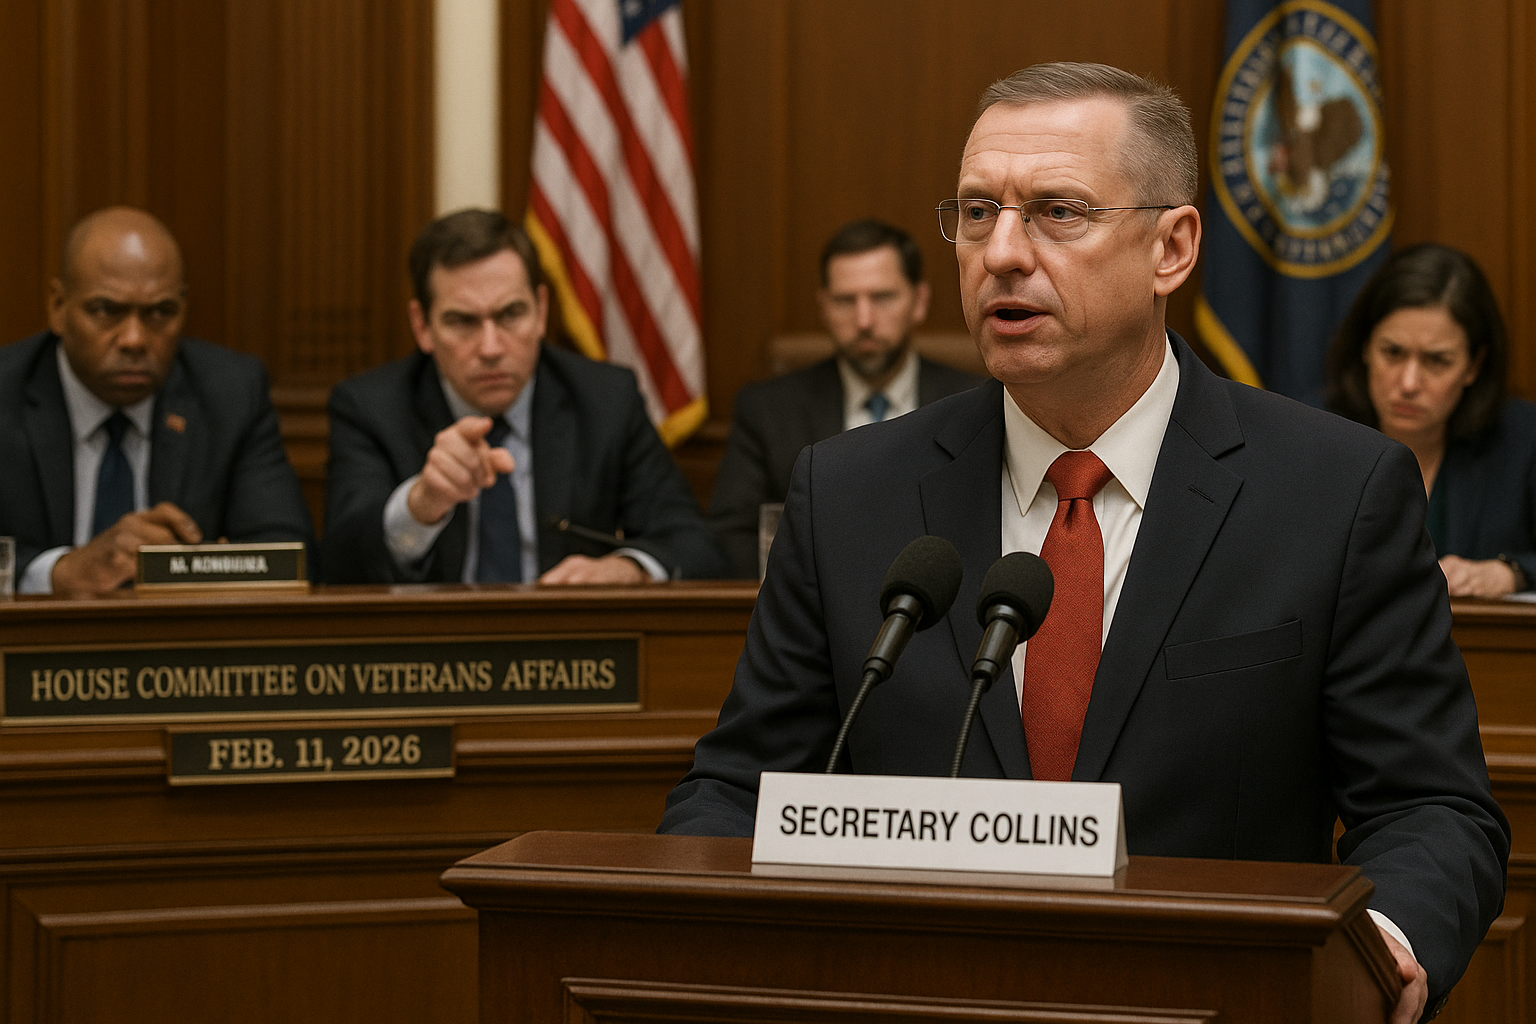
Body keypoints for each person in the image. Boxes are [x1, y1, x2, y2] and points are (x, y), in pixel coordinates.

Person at [660, 64, 1507, 1021]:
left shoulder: (1335, 493)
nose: (1001, 253)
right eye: (977, 213)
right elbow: (733, 792)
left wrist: (1378, 949)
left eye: (1057, 213)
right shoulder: (848, 495)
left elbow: (1431, 809)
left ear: (1171, 248)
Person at [323, 208, 723, 585]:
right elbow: (338, 567)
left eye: (511, 314)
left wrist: (628, 569)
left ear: (541, 311)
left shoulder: (606, 400)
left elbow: (693, 546)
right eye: (462, 322)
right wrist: (421, 505)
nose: (491, 348)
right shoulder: (370, 408)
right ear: (422, 326)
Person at [0, 207, 313, 597]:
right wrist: (56, 574)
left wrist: (209, 567)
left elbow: (288, 550)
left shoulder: (231, 394)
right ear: (58, 306)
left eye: (160, 313)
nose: (134, 339)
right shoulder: (7, 392)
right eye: (106, 311)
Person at [709, 219, 983, 577]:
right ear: (823, 307)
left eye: (882, 298)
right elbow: (732, 537)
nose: (864, 320)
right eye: (845, 301)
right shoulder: (769, 411)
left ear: (919, 301)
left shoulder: (976, 402)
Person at [1327, 243, 1536, 598]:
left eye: (1437, 361)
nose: (1409, 383)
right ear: (1365, 347)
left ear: (1473, 365)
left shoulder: (1525, 439)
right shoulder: (1311, 433)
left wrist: (1511, 572)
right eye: (1392, 353)